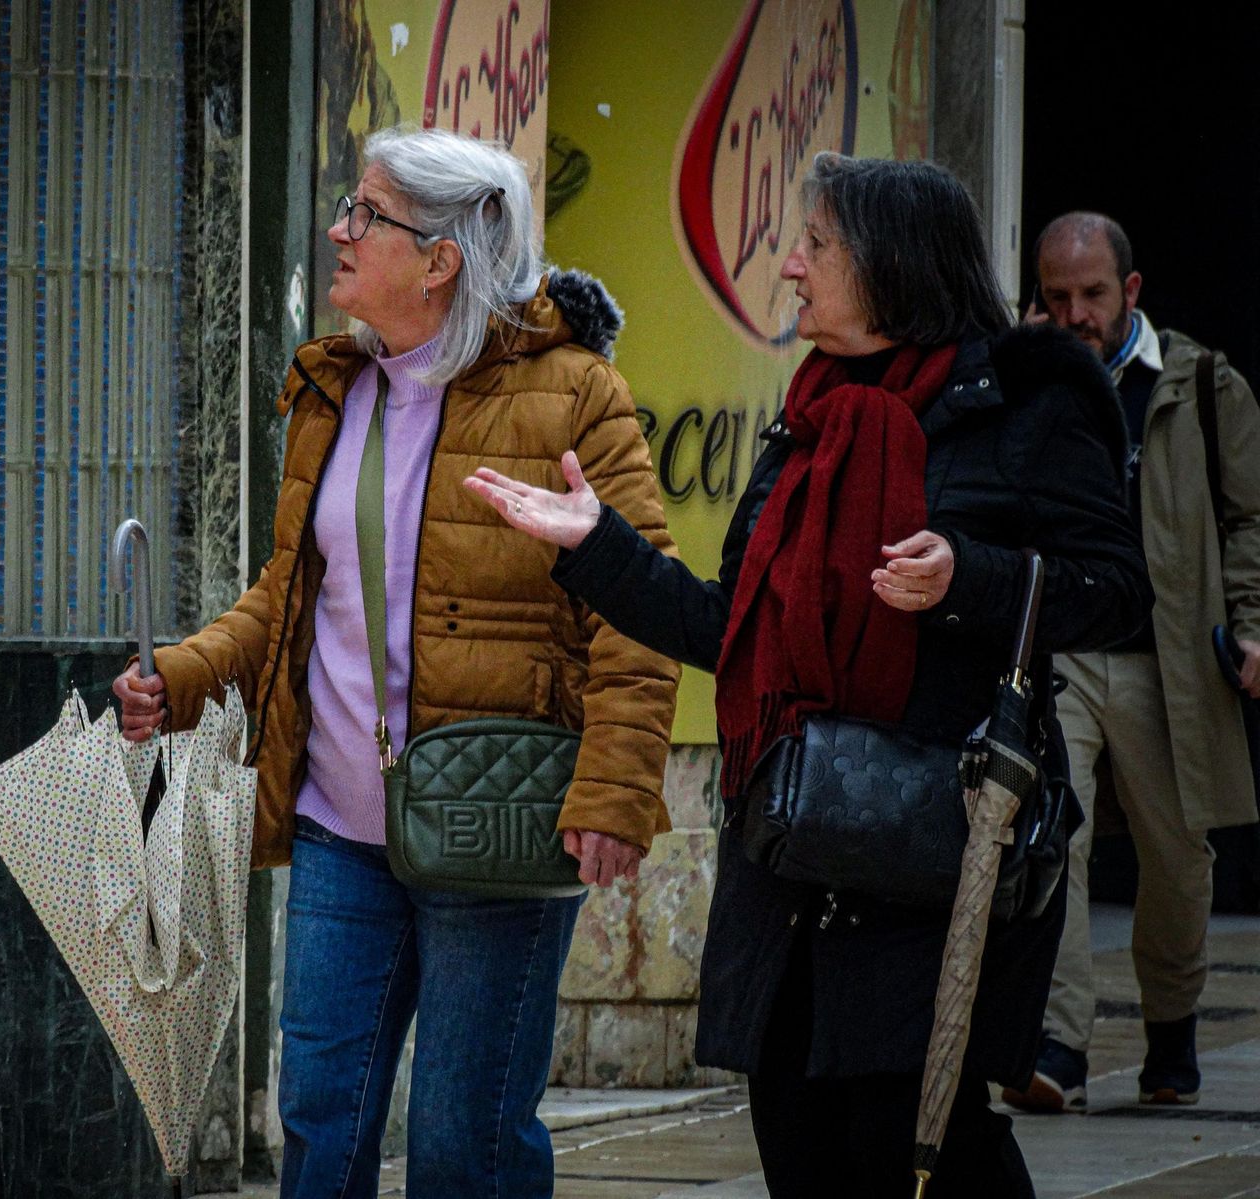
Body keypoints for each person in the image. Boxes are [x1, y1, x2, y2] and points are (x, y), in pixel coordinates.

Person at [466, 154, 1151, 1195]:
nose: (789, 267)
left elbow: (1117, 593)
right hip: (789, 850)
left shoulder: (1026, 401)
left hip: (929, 848)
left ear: (889, 263)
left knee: (921, 1141)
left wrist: (973, 575)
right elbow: (730, 627)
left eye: (815, 245)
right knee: (798, 1137)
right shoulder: (808, 415)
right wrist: (596, 543)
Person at [112, 126, 678, 1198]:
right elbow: (291, 596)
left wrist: (613, 790)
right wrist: (180, 678)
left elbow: (638, 607)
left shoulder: (574, 394)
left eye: (365, 215)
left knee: (466, 1137)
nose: (338, 229)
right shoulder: (336, 390)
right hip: (339, 821)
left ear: (440, 259)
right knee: (322, 1118)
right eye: (347, 206)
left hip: (496, 823)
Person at [1001, 213, 1260, 1113]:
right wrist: (1015, 370)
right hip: (1065, 647)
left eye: (1093, 295)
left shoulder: (1197, 381)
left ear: (1132, 293)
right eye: (1057, 296)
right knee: (1054, 840)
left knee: (1178, 855)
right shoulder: (1028, 375)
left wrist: (1253, 623)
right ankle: (1061, 1045)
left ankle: (1170, 1031)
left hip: (1168, 658)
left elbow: (1247, 517)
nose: (1076, 315)